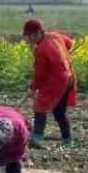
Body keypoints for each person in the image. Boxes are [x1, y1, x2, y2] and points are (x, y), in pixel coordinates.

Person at [22, 19, 76, 147]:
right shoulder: (55, 35)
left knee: (40, 106)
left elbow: (40, 73)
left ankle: (36, 138)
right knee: (59, 112)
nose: (29, 40)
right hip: (68, 77)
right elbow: (69, 44)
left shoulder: (41, 49)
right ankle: (67, 140)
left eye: (29, 36)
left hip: (57, 80)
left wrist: (33, 87)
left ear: (37, 33)